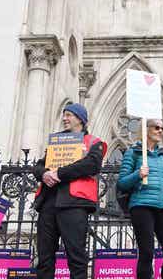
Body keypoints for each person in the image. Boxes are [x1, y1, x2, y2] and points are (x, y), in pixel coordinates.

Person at [33, 103, 107, 279]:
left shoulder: (93, 142)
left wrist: (59, 173)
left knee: (76, 258)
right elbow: (38, 166)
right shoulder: (57, 140)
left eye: (68, 115)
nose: (64, 118)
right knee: (44, 258)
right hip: (48, 203)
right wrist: (44, 174)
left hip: (74, 204)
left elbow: (91, 165)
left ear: (80, 119)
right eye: (64, 115)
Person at [117, 119, 163, 279]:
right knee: (146, 252)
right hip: (142, 205)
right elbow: (122, 183)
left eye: (162, 128)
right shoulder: (134, 152)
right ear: (146, 130)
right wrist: (138, 175)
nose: (160, 131)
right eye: (157, 127)